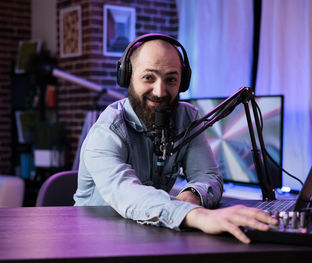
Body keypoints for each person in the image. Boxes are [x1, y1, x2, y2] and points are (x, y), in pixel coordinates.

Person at [73, 33, 277, 244]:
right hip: (96, 240)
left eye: (171, 79)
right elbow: (125, 191)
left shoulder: (187, 118)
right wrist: (195, 215)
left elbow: (208, 176)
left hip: (152, 235)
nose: (160, 92)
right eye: (148, 77)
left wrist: (193, 195)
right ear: (128, 77)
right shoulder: (107, 130)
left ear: (183, 81)